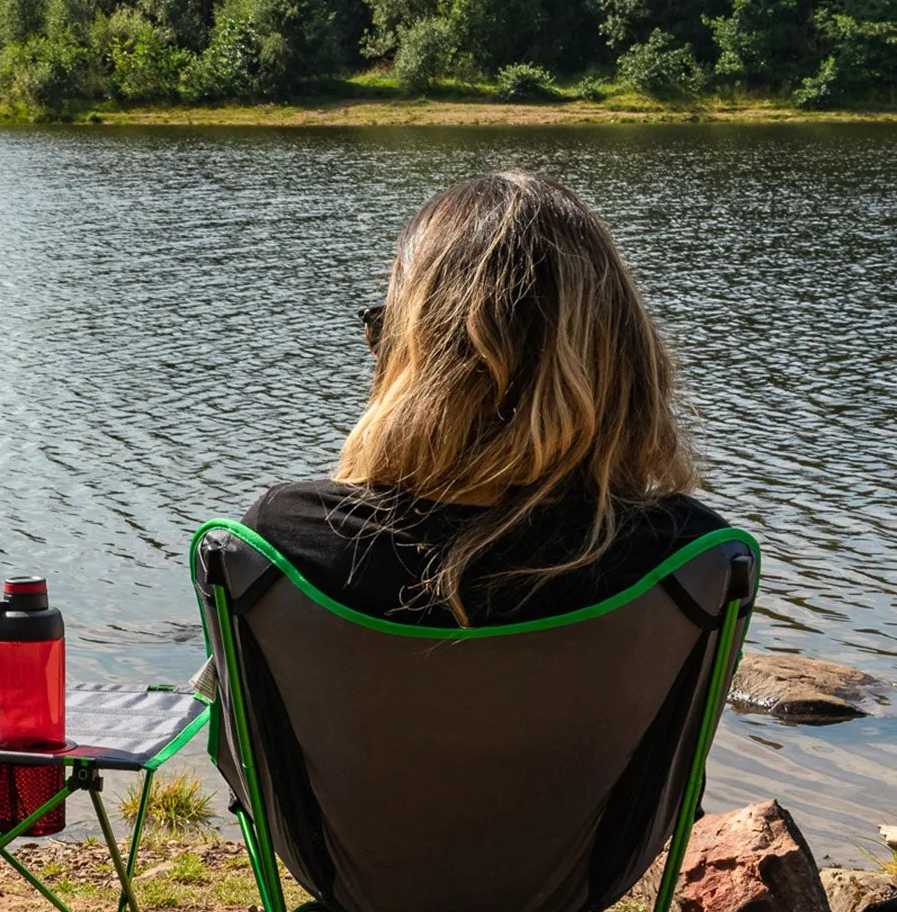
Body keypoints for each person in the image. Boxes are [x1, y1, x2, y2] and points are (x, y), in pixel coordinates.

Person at [246, 171, 725, 625]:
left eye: (387, 331)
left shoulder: (289, 541)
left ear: (422, 364)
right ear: (627, 356)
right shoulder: (692, 559)